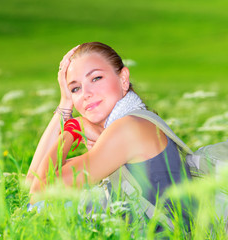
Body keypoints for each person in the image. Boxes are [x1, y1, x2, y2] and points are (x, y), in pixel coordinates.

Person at [25, 42, 191, 213]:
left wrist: (74, 127)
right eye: (75, 88)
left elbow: (38, 193)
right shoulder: (134, 123)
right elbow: (31, 182)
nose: (86, 93)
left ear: (123, 78)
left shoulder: (129, 128)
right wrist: (65, 102)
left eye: (96, 78)